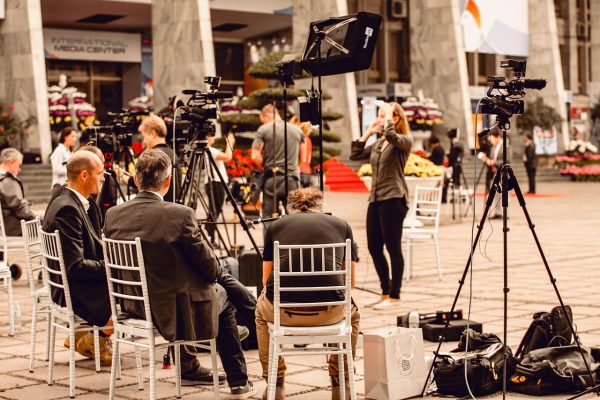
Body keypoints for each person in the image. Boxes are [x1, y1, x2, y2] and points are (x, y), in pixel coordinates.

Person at [104, 150, 256, 398]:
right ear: (168, 181)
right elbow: (210, 269)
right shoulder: (180, 214)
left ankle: (191, 365)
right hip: (173, 309)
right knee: (223, 293)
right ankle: (238, 381)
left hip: (134, 305)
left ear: (136, 179)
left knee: (203, 283)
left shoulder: (113, 214)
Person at [256, 188, 360, 400]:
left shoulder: (275, 226)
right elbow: (350, 282)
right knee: (354, 315)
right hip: (330, 314)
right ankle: (340, 381)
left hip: (283, 314)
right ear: (320, 207)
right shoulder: (342, 225)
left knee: (259, 314)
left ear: (290, 208)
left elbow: (265, 280)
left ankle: (275, 381)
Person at [42, 151, 112, 365]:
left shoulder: (71, 200)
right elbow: (76, 266)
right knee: (135, 289)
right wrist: (112, 266)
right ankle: (94, 340)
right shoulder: (67, 209)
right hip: (71, 290)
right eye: (100, 173)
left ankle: (89, 337)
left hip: (71, 283)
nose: (103, 178)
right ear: (84, 175)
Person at [349, 102, 412, 310]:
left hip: (394, 199)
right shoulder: (378, 144)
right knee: (374, 247)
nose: (379, 118)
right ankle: (385, 291)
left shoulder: (403, 141)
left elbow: (393, 136)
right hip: (375, 199)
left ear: (395, 118)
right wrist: (368, 132)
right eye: (379, 114)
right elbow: (355, 155)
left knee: (393, 248)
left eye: (383, 114)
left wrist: (388, 119)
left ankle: (395, 295)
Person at [251, 104, 306, 217]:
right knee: (294, 216)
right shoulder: (298, 130)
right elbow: (303, 158)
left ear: (266, 115)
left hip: (271, 179)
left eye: (262, 120)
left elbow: (255, 157)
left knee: (269, 217)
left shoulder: (264, 129)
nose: (263, 123)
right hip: (292, 179)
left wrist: (264, 163)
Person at [116, 115, 181, 202]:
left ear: (153, 134)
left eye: (144, 136)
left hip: (158, 205)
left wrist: (120, 175)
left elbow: (142, 184)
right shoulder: (172, 153)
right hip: (170, 205)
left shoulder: (155, 156)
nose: (144, 141)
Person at [0, 148, 42, 236]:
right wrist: (36, 214)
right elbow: (19, 207)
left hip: (6, 227)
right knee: (50, 225)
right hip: (14, 229)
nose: (19, 169)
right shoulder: (7, 181)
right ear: (11, 162)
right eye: (19, 165)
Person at [205, 132, 235, 247]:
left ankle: (210, 236)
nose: (213, 137)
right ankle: (210, 237)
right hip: (215, 183)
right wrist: (230, 143)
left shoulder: (209, 150)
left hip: (215, 183)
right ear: (207, 137)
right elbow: (228, 157)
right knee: (214, 212)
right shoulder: (210, 150)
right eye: (211, 134)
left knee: (214, 211)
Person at [50, 127, 78, 193]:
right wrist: (72, 170)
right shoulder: (59, 151)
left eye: (75, 137)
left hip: (68, 186)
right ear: (65, 137)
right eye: (72, 136)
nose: (75, 139)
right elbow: (56, 170)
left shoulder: (69, 151)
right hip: (60, 186)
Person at [290, 116, 313, 188]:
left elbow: (303, 158)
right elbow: (308, 159)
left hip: (300, 172)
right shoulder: (308, 139)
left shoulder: (301, 138)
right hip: (307, 171)